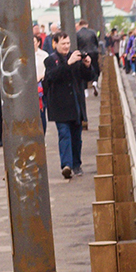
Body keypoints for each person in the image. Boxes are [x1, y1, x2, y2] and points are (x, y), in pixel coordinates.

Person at [41, 31, 92, 179]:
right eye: (63, 43)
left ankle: (76, 164)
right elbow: (52, 77)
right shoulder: (50, 60)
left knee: (77, 136)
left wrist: (87, 65)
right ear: (55, 44)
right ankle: (66, 165)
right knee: (64, 134)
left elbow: (87, 77)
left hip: (75, 103)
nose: (66, 46)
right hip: (60, 105)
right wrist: (68, 63)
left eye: (68, 43)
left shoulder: (75, 57)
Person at [75, 18, 101, 94]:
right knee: (95, 67)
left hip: (84, 54)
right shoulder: (92, 32)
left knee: (84, 70)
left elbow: (77, 45)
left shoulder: (77, 34)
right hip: (93, 52)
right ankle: (95, 81)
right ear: (87, 25)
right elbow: (96, 42)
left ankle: (85, 89)